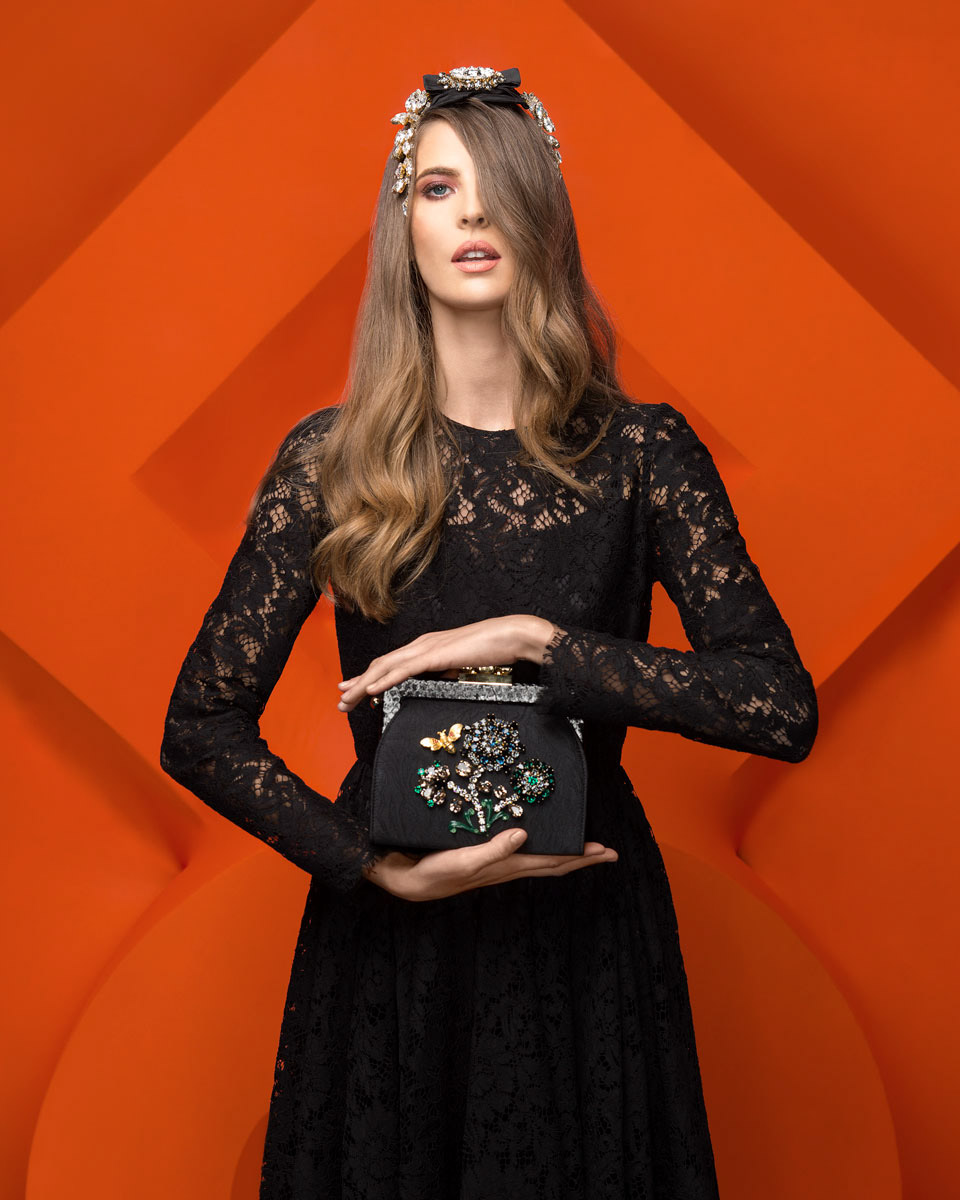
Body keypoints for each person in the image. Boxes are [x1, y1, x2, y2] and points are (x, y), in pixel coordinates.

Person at [159, 65, 818, 1200]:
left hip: (585, 933)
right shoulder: (329, 462)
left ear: (544, 219)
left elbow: (778, 706)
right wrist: (366, 867)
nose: (472, 213)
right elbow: (199, 725)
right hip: (395, 948)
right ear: (401, 227)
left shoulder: (644, 454)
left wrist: (537, 640)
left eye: (499, 187)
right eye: (437, 187)